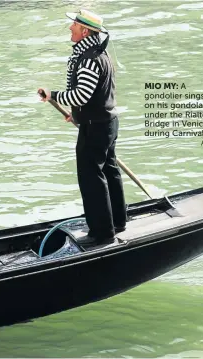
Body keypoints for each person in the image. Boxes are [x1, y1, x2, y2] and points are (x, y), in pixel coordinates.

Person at [38, 9, 127, 246]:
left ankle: (102, 233)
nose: (70, 28)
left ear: (85, 30)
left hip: (95, 128)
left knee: (91, 178)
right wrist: (77, 114)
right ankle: (118, 221)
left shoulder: (88, 58)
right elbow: (95, 96)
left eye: (74, 25)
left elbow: (81, 95)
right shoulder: (100, 53)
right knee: (109, 171)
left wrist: (52, 95)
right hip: (106, 123)